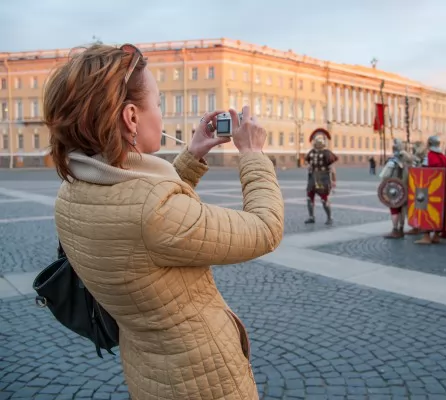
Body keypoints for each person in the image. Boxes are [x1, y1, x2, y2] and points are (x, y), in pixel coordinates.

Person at [44, 43, 284, 400]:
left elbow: (141, 211)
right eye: (157, 103)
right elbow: (266, 229)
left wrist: (194, 153)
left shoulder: (71, 193)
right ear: (131, 117)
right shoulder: (151, 212)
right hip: (203, 382)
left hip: (149, 371)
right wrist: (252, 154)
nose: (161, 113)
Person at [415, 135, 446, 244]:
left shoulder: (428, 156)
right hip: (442, 189)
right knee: (439, 212)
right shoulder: (443, 157)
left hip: (429, 190)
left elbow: (424, 173)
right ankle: (436, 235)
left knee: (427, 211)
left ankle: (426, 236)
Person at [379, 138, 412, 238]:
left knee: (394, 210)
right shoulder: (408, 162)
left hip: (394, 189)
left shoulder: (392, 162)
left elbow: (385, 176)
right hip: (405, 189)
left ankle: (395, 230)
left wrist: (384, 186)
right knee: (402, 209)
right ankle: (401, 229)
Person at [304, 128, 338, 225]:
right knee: (309, 198)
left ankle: (329, 217)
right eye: (316, 139)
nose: (318, 141)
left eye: (320, 139)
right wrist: (308, 166)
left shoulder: (327, 153)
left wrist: (334, 181)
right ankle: (311, 216)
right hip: (312, 178)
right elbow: (308, 162)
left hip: (322, 179)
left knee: (324, 199)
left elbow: (332, 168)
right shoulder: (311, 152)